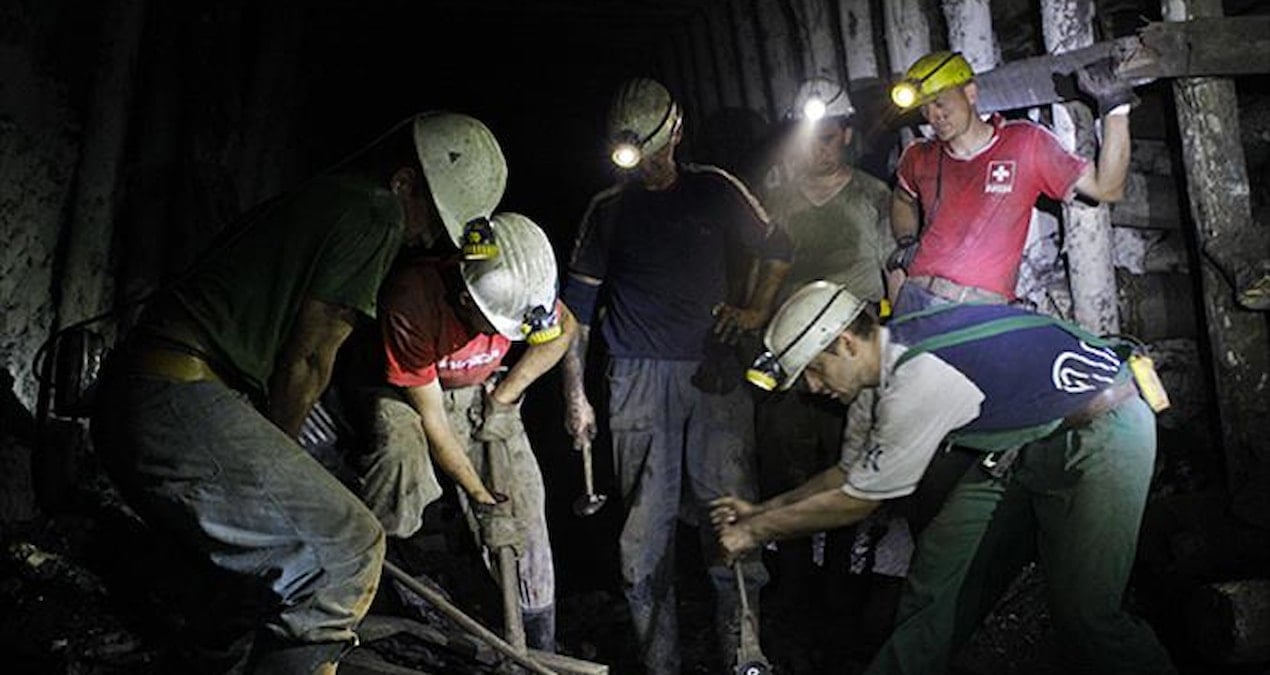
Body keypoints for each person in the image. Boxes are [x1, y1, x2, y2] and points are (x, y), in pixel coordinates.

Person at [89, 111, 508, 674]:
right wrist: (277, 453)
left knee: (257, 585)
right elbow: (311, 356)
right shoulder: (374, 213)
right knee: (349, 546)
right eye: (432, 215)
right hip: (176, 393)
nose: (430, 237)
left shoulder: (324, 199)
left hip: (153, 394)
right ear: (405, 182)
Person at [712, 280, 1177, 675]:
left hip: (1104, 430)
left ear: (847, 344)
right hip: (1024, 442)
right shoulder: (881, 367)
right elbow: (847, 474)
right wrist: (762, 511)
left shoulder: (918, 378)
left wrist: (755, 531)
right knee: (938, 576)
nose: (813, 388)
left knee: (1087, 616)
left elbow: (860, 501)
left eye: (814, 371)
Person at [560, 77, 793, 673]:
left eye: (660, 152)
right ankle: (659, 660)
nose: (651, 167)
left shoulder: (716, 190)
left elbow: (778, 244)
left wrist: (758, 312)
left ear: (678, 133)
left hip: (715, 371)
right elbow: (576, 317)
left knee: (731, 511)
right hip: (637, 377)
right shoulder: (608, 209)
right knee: (645, 529)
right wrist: (576, 395)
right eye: (639, 155)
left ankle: (745, 652)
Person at [344, 212, 574, 651]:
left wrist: (506, 396)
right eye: (494, 324)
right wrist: (479, 494)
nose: (498, 333)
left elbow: (564, 331)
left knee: (524, 511)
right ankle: (383, 580)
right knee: (399, 457)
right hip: (414, 394)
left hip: (480, 391)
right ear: (467, 297)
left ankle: (536, 643)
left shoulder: (525, 290)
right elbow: (432, 417)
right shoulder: (412, 299)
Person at [751, 76, 901, 665]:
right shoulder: (776, 195)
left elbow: (894, 276)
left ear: (847, 135)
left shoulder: (873, 196)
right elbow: (753, 273)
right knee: (786, 473)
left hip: (852, 360)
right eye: (811, 137)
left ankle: (840, 582)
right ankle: (792, 587)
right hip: (792, 365)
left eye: (831, 136)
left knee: (848, 468)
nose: (821, 149)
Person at [886, 50, 1138, 315]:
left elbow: (1108, 188)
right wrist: (905, 244)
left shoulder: (1024, 144)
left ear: (970, 93)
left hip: (977, 311)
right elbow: (902, 198)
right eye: (925, 108)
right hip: (913, 299)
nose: (934, 115)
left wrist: (1115, 107)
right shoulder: (919, 155)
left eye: (939, 102)